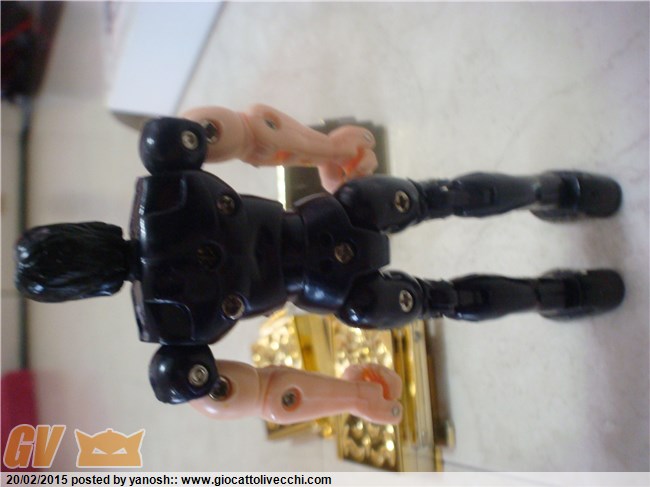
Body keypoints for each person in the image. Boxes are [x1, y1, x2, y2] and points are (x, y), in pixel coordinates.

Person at [15, 105, 624, 420]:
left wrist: (349, 398)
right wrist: (323, 147)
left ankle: (560, 291)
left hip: (337, 288)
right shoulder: (165, 169)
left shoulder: (173, 333)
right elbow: (253, 132)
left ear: (81, 291)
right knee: (442, 198)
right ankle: (554, 192)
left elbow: (264, 393)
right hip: (338, 220)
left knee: (441, 295)